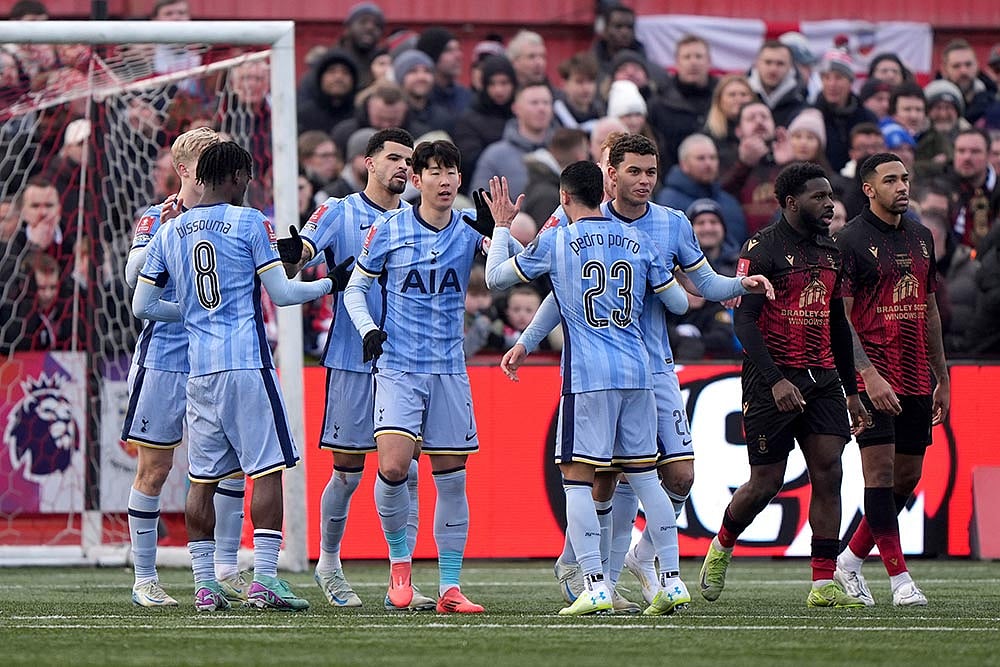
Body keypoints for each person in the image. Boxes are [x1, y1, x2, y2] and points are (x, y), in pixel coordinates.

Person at [509, 134, 772, 611]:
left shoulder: (671, 223)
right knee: (608, 479)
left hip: (656, 366)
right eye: (634, 171)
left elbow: (704, 282)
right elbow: (560, 294)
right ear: (610, 173)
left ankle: (640, 560)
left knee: (680, 476)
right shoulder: (581, 221)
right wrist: (528, 340)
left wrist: (740, 283)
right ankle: (599, 577)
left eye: (651, 172)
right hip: (605, 367)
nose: (645, 181)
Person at [133, 141, 341, 611]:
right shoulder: (250, 222)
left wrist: (187, 314)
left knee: (202, 479)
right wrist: (332, 282)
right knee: (268, 469)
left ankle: (204, 586)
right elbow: (284, 295)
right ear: (231, 177)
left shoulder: (170, 231)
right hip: (247, 363)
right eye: (244, 177)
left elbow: (140, 306)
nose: (247, 185)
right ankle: (266, 578)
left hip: (199, 372)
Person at [484, 163, 697, 616]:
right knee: (644, 478)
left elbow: (496, 278)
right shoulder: (640, 239)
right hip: (640, 372)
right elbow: (679, 303)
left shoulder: (557, 240)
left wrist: (502, 227)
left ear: (563, 198)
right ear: (604, 191)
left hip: (588, 377)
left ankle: (595, 584)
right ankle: (673, 580)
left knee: (577, 482)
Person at [343, 139, 518, 614]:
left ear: (460, 179)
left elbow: (507, 274)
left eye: (451, 171)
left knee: (452, 479)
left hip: (448, 370)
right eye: (434, 172)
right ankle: (400, 571)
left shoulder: (468, 227)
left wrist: (499, 229)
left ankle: (449, 588)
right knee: (395, 467)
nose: (444, 181)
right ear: (416, 180)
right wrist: (369, 329)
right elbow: (354, 290)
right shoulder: (387, 229)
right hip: (399, 366)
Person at [277, 128, 438, 611]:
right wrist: (298, 257)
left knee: (406, 470)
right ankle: (328, 563)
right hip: (352, 358)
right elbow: (302, 252)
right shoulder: (339, 210)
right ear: (368, 162)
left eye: (409, 162)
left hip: (408, 362)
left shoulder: (420, 219)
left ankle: (400, 578)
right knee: (347, 471)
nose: (402, 169)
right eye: (393, 158)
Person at [699, 162, 869, 608]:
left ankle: (822, 582)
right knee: (766, 482)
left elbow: (836, 324)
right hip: (770, 378)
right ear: (792, 203)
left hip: (823, 377)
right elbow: (746, 321)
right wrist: (775, 380)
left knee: (830, 470)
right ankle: (723, 543)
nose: (829, 204)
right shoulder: (763, 248)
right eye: (818, 197)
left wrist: (851, 392)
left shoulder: (831, 251)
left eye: (830, 195)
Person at [121, 128, 240, 608]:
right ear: (185, 170)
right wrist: (162, 232)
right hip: (166, 359)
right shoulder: (157, 216)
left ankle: (226, 571)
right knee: (155, 467)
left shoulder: (236, 219)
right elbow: (134, 283)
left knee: (230, 468)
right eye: (209, 158)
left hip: (220, 358)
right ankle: (145, 579)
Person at [834, 153, 950, 607]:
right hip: (873, 377)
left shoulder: (922, 237)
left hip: (917, 374)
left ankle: (849, 562)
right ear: (869, 189)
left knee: (907, 477)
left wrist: (943, 376)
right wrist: (866, 375)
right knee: (878, 475)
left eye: (904, 178)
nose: (902, 186)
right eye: (890, 180)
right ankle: (901, 581)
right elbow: (840, 320)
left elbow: (930, 308)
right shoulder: (849, 241)